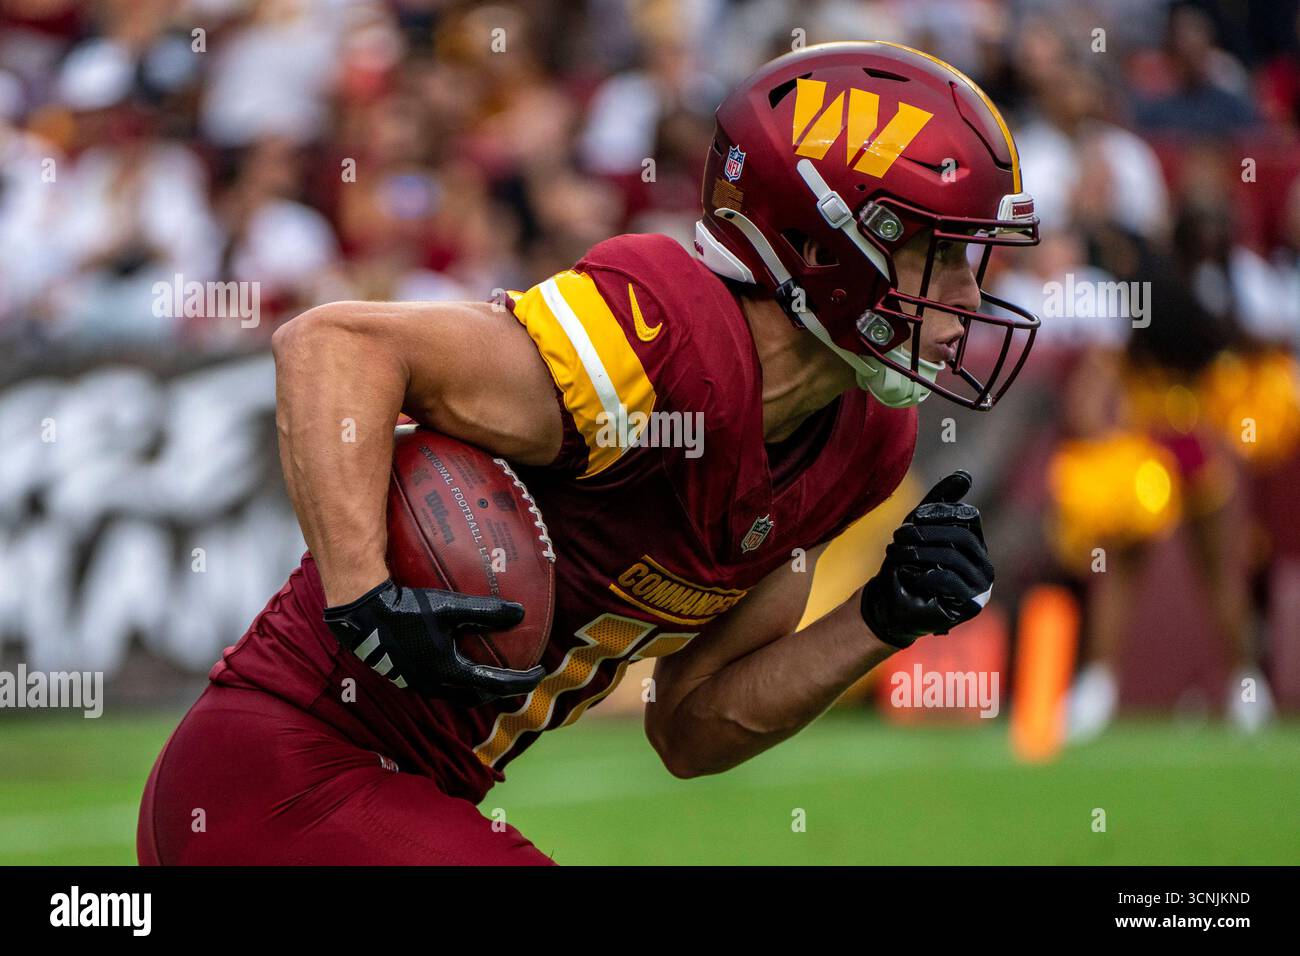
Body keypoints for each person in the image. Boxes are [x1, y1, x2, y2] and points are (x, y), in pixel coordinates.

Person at [137, 41, 1040, 865]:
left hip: (407, 793)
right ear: (822, 240)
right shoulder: (657, 342)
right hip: (279, 771)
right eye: (940, 255)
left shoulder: (862, 442)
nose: (966, 296)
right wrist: (361, 593)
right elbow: (333, 346)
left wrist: (882, 615)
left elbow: (690, 729)